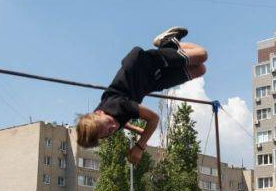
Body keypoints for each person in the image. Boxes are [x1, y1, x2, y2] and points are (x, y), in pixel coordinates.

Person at [75, 27, 208, 163]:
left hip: (145, 64)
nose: (113, 127)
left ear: (99, 112)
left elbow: (154, 119)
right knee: (199, 69)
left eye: (109, 123)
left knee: (202, 55)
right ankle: (170, 46)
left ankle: (167, 42)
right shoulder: (104, 125)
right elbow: (119, 122)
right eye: (109, 132)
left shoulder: (119, 105)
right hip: (151, 83)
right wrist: (137, 130)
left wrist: (139, 146)